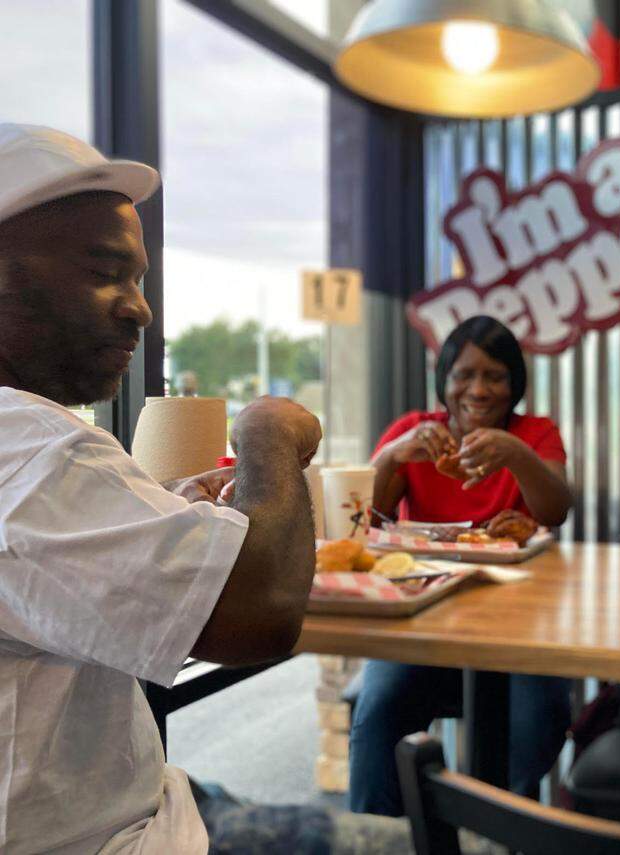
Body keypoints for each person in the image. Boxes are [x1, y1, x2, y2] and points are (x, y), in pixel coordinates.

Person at [0, 124, 410, 852]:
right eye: (104, 271)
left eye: (138, 280)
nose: (140, 308)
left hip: (145, 800)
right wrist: (267, 432)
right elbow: (259, 612)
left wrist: (167, 513)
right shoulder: (28, 445)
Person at [350, 315, 574, 817]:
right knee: (378, 713)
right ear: (444, 380)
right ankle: (380, 839)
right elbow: (364, 516)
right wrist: (393, 456)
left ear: (514, 383)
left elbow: (556, 509)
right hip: (421, 620)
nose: (478, 390)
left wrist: (517, 454)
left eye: (495, 376)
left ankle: (496, 828)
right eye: (464, 375)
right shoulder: (414, 432)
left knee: (540, 720)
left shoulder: (534, 433)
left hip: (520, 626)